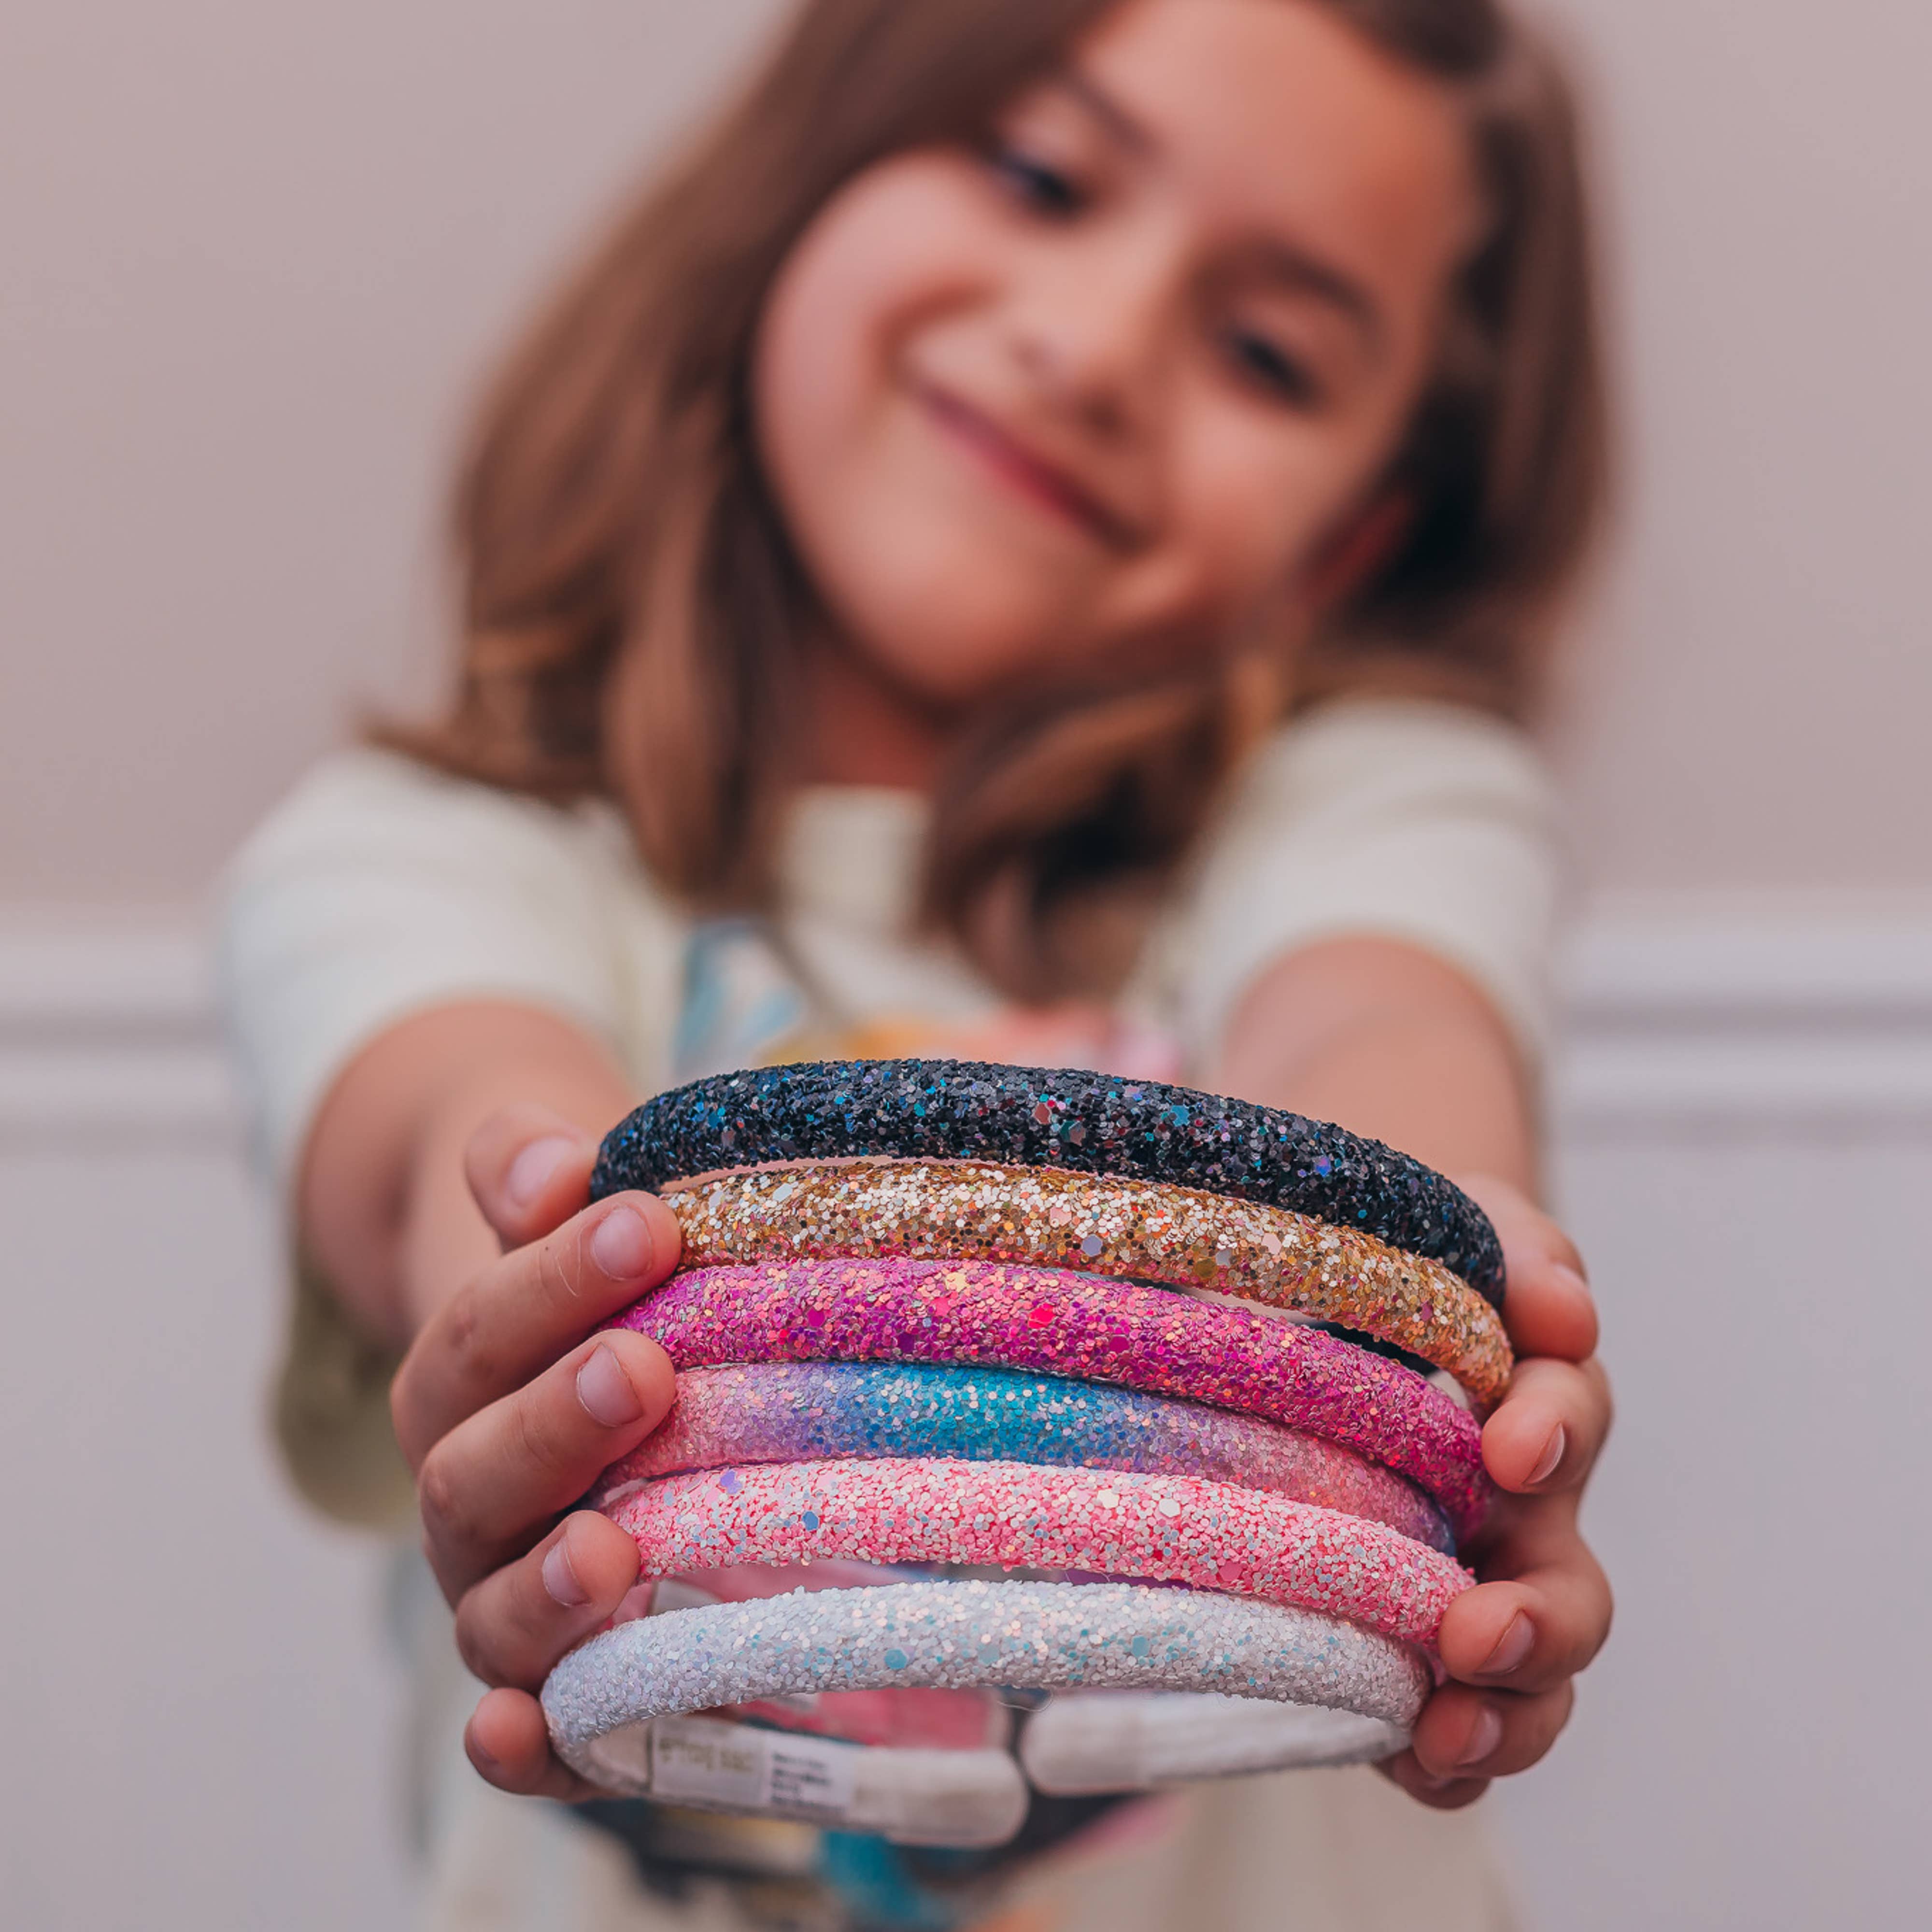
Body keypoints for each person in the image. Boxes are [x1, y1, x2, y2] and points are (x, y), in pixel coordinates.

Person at [219, 1, 1614, 1926]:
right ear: (817, 169)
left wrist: (1449, 1284)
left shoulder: (1358, 802)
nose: (1098, 347)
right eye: (1041, 175)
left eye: (1268, 351)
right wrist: (538, 1327)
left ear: (1347, 542)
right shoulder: (420, 849)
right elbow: (458, 1131)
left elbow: (1379, 1008)